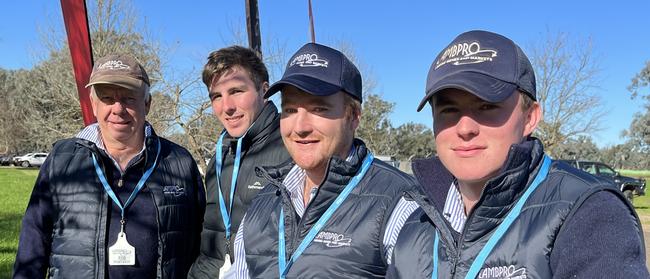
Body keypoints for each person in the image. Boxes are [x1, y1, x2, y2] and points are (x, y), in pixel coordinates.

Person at [387, 30, 649, 278]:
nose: (465, 128)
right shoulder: (415, 224)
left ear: (530, 117)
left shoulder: (589, 214)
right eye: (448, 110)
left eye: (487, 106)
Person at [225, 42, 420, 278]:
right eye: (290, 110)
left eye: (319, 109)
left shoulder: (402, 203)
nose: (300, 127)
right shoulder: (265, 200)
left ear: (353, 116)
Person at [13, 54, 206, 278]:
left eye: (129, 98)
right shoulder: (62, 159)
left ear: (147, 104)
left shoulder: (178, 162)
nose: (117, 108)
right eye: (107, 98)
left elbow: (204, 245)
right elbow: (34, 239)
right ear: (93, 105)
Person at [188, 46, 291, 278]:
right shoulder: (220, 153)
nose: (227, 107)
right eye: (216, 96)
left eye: (236, 91)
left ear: (264, 91)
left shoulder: (292, 148)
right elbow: (211, 243)